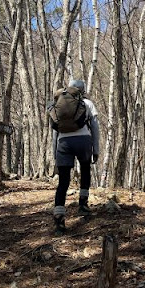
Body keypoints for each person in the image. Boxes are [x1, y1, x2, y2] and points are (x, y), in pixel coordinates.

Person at [52, 79, 100, 235]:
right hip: (83, 141)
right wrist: (96, 149)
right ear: (83, 90)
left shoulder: (59, 104)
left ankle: (59, 220)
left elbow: (55, 130)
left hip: (63, 142)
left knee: (63, 182)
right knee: (85, 169)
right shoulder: (87, 104)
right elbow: (95, 127)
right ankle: (83, 205)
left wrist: (55, 152)